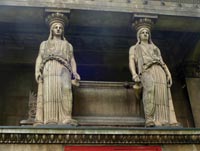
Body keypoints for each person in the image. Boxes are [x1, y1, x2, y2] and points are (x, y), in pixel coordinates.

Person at [34, 13, 80, 125]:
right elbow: (39, 58)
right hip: (49, 69)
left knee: (66, 91)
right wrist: (37, 72)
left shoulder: (68, 45)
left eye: (60, 28)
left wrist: (75, 72)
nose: (58, 29)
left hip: (64, 69)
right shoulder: (44, 44)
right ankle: (51, 119)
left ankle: (66, 117)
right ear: (51, 30)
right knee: (50, 92)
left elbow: (72, 60)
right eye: (56, 27)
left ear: (62, 30)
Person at [129, 27, 179, 127]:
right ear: (139, 36)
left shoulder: (155, 48)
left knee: (162, 95)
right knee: (150, 91)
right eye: (142, 32)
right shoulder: (134, 48)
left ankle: (164, 120)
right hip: (146, 70)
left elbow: (162, 62)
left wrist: (168, 73)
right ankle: (150, 118)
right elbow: (131, 61)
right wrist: (134, 74)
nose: (145, 34)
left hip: (159, 71)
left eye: (147, 32)